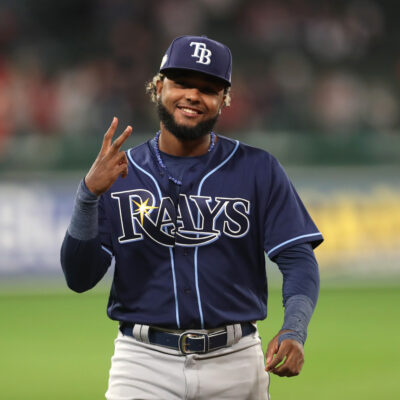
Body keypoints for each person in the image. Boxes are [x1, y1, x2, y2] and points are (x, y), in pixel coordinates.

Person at [61, 35, 323, 400]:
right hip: (143, 364)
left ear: (223, 101)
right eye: (181, 82)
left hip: (237, 361)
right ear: (158, 87)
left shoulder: (258, 169)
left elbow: (298, 260)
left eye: (208, 88)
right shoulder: (120, 172)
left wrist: (295, 330)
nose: (193, 96)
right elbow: (79, 277)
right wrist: (88, 195)